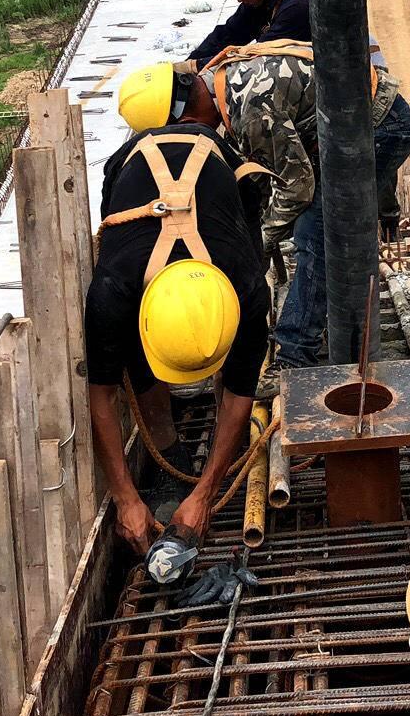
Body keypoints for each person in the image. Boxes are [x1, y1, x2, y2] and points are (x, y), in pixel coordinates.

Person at [119, 41, 410, 371]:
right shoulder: (222, 77)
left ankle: (293, 355)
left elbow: (297, 189)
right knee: (310, 225)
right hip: (350, 121)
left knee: (313, 233)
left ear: (184, 117)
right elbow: (264, 168)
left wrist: (258, 243)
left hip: (382, 127)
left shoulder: (248, 111)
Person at [80, 115, 273, 556]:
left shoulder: (246, 290)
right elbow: (102, 394)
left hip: (216, 165)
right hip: (133, 166)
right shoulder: (115, 290)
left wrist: (206, 494)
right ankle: (169, 452)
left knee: (241, 370)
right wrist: (125, 498)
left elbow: (241, 391)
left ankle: (202, 472)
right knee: (127, 354)